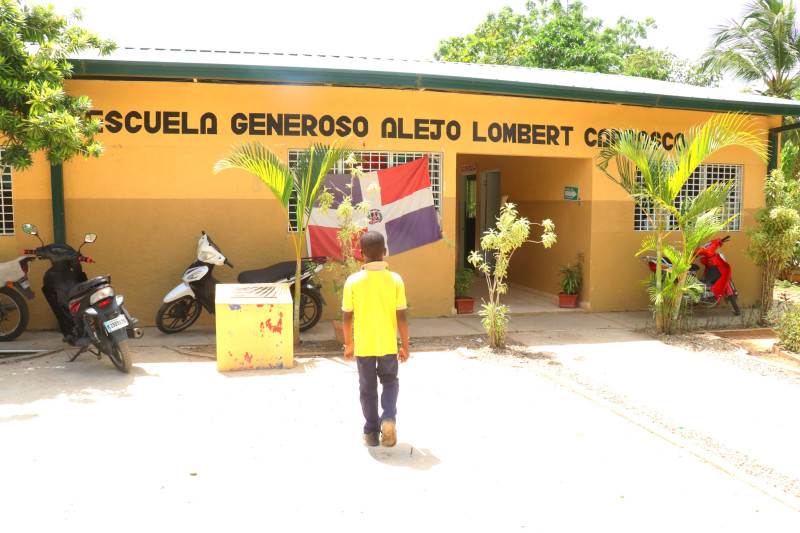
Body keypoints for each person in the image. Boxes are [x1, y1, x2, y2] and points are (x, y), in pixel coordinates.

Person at [342, 231, 410, 447]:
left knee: (367, 387)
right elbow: (402, 317)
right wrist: (405, 346)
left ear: (361, 255)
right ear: (384, 252)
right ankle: (388, 417)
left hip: (363, 346)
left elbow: (346, 318)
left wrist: (349, 344)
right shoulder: (395, 279)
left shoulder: (353, 281)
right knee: (390, 381)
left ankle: (371, 431)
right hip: (388, 344)